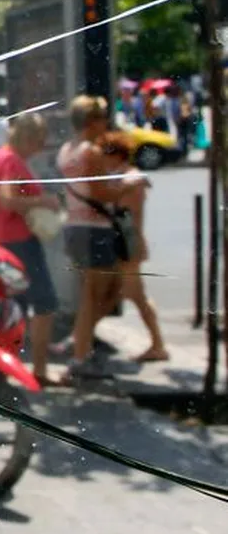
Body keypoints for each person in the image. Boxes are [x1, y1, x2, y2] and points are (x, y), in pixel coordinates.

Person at [0, 114, 64, 385]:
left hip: (5, 240)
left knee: (14, 309)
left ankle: (7, 371)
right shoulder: (9, 160)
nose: (40, 148)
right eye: (39, 142)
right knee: (45, 304)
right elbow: (7, 200)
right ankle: (38, 371)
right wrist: (45, 202)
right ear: (28, 137)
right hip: (21, 243)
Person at [57, 95, 132, 379]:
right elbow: (101, 193)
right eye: (102, 117)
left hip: (75, 227)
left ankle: (78, 342)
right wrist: (127, 185)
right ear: (91, 121)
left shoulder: (67, 149)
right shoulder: (91, 152)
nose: (106, 123)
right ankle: (79, 357)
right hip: (94, 229)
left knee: (104, 291)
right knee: (95, 295)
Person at [97, 134, 169, 363]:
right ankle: (82, 336)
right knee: (115, 295)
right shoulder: (123, 177)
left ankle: (158, 345)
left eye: (105, 155)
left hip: (130, 245)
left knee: (135, 296)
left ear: (116, 155)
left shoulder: (131, 177)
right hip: (125, 244)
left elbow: (126, 190)